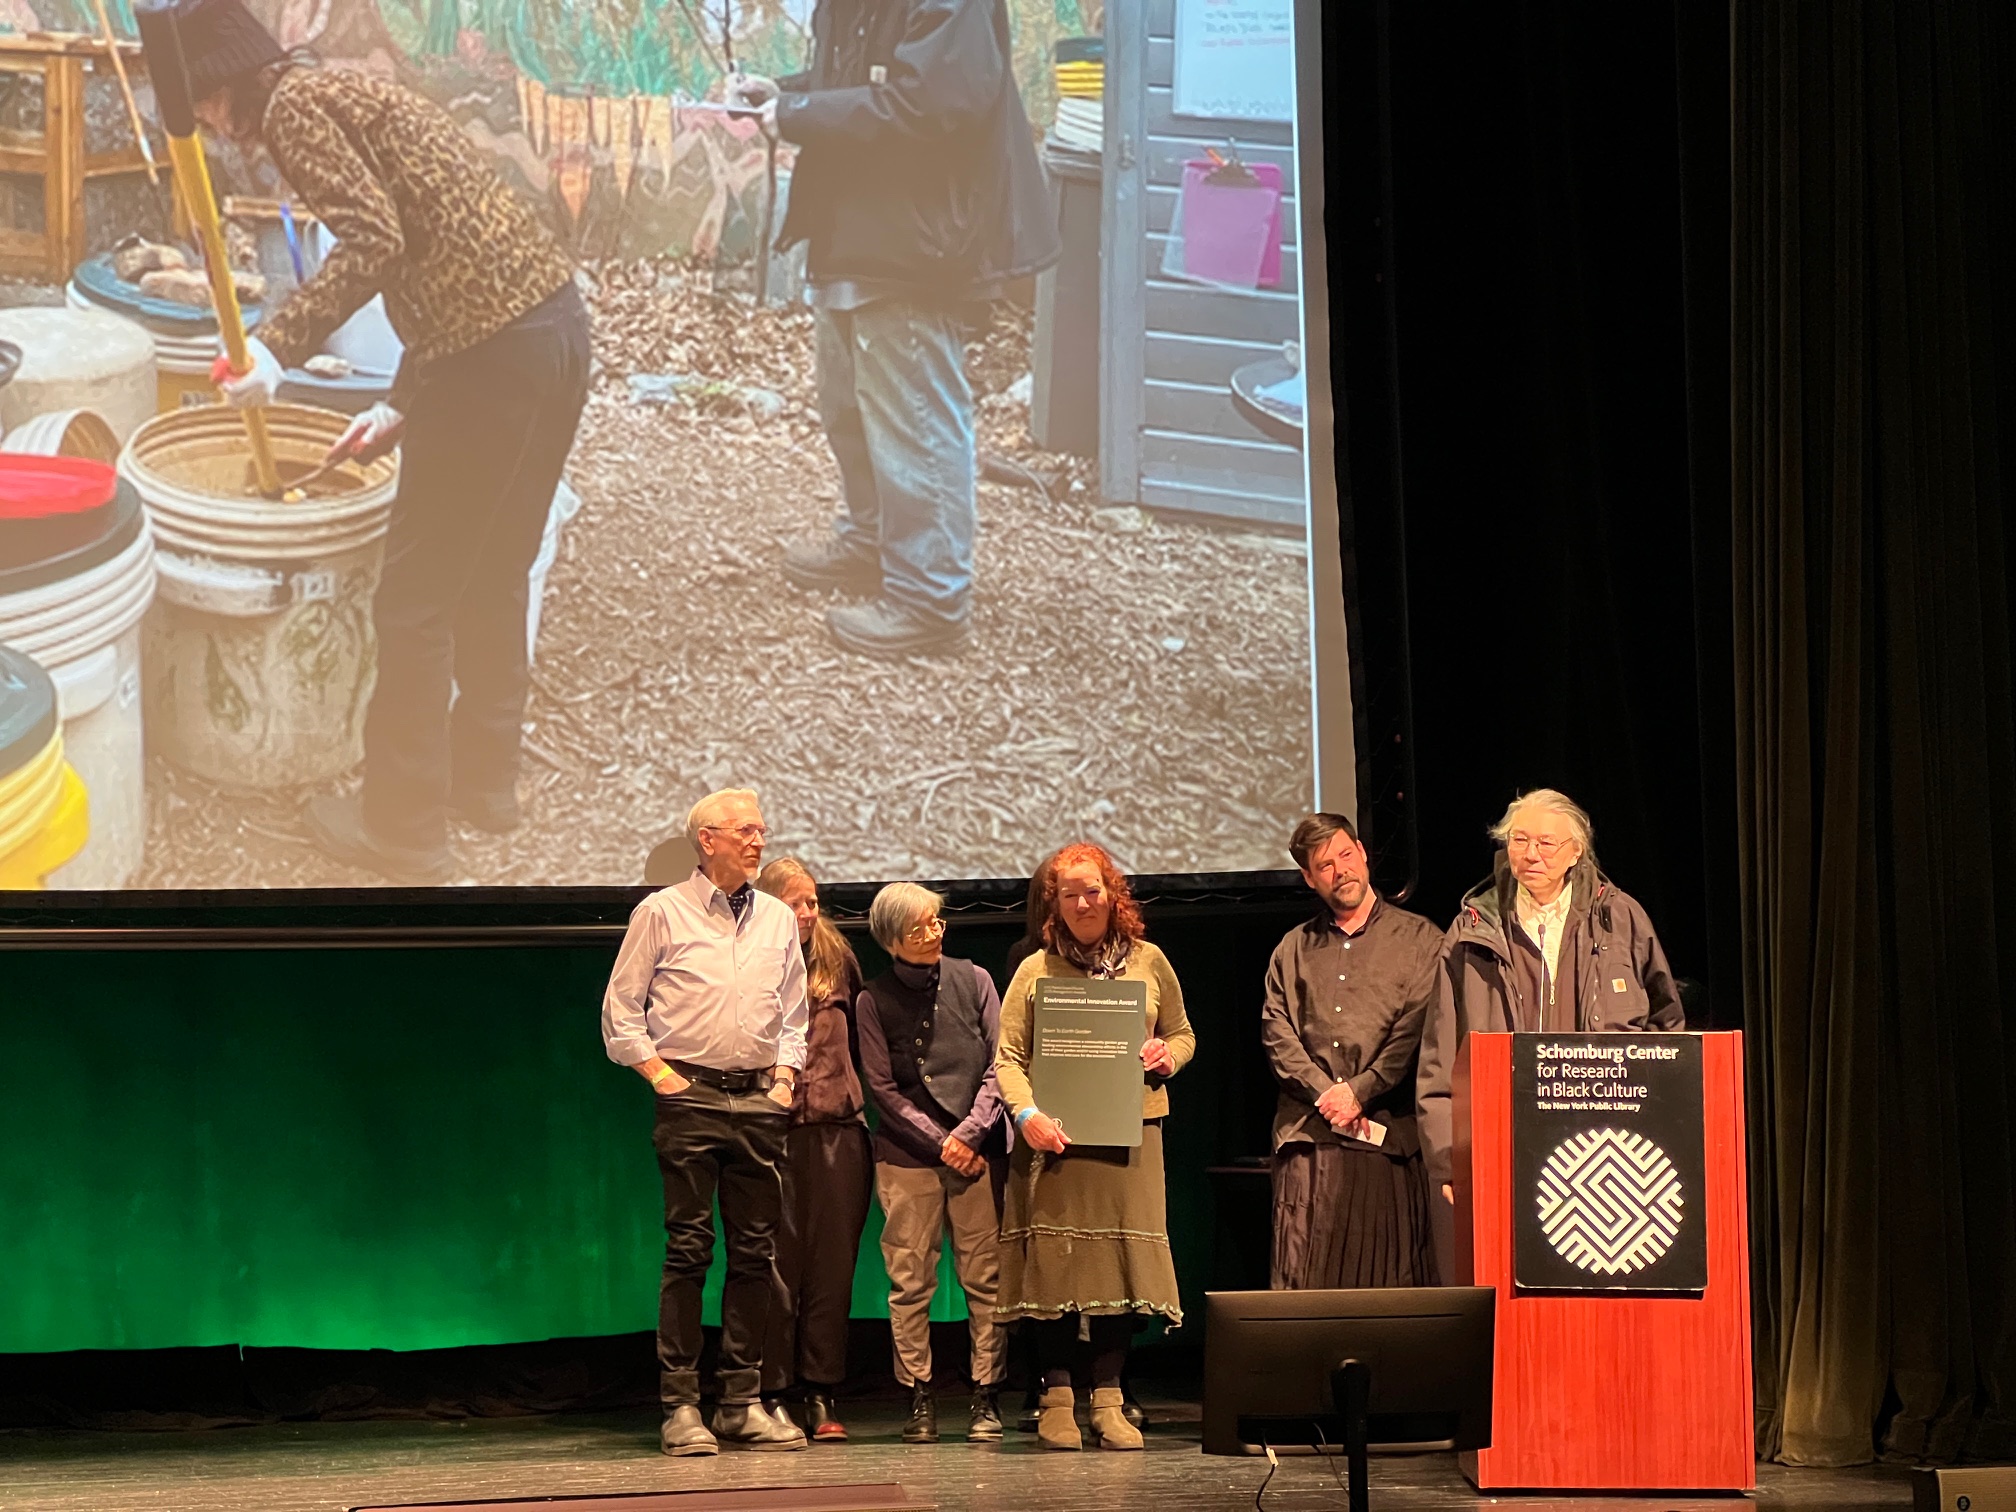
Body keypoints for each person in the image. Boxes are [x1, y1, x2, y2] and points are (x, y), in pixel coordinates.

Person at [172, 0, 590, 883]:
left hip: (488, 360)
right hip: (553, 331)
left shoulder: (292, 110)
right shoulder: (344, 92)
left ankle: (401, 828)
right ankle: (484, 786)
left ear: (224, 88)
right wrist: (404, 400)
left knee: (414, 601)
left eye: (202, 103)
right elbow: (446, 240)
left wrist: (276, 352)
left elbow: (376, 239)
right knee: (494, 571)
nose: (207, 124)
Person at [728, 0, 1061, 658]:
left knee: (913, 413)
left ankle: (930, 597)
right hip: (856, 225)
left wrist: (798, 116)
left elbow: (932, 106)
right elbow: (854, 77)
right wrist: (783, 94)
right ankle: (874, 540)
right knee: (846, 401)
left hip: (918, 235)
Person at [601, 789, 810, 1456]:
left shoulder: (777, 918)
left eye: (761, 830)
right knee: (689, 1252)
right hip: (689, 1099)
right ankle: (682, 1406)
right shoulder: (661, 912)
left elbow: (796, 1013)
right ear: (707, 841)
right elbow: (620, 1012)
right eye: (744, 831)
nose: (758, 840)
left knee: (755, 1254)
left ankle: (741, 1401)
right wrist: (664, 1077)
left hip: (758, 1103)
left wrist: (782, 1083)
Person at [1416, 788, 1687, 1281]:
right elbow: (1439, 1054)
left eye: (1546, 842)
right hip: (1504, 1143)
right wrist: (1447, 1161)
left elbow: (1667, 1028)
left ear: (1575, 853)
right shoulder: (1471, 930)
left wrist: (1662, 1127)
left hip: (1609, 1148)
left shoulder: (1620, 918)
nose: (1531, 854)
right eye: (1519, 840)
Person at [994, 842, 1195, 1452]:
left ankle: (1108, 1400)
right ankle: (1057, 1399)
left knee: (1119, 1264)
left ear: (1113, 895)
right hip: (1055, 1142)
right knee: (1054, 1270)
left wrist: (1168, 1056)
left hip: (1131, 1135)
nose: (1082, 903)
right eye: (1068, 893)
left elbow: (1184, 1035)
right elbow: (1007, 1059)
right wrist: (1025, 1113)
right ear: (1053, 902)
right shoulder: (1036, 967)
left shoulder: (1149, 960)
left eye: (1093, 890)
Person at [855, 882, 1009, 1444]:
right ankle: (919, 1395)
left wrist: (969, 1134)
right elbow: (882, 1089)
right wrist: (941, 1143)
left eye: (937, 921)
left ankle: (985, 1395)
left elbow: (1002, 1064)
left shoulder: (977, 980)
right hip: (907, 1159)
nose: (933, 932)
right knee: (910, 1281)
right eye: (918, 926)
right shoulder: (872, 1000)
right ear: (892, 938)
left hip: (979, 1152)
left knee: (985, 1280)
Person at [1263, 813, 1442, 1289]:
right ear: (1309, 878)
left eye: (1346, 855)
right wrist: (1329, 1094)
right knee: (1305, 1292)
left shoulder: (1423, 940)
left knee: (1389, 1293)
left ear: (1362, 854)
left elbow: (1416, 1030)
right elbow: (1277, 1032)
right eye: (1325, 865)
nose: (1340, 870)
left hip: (1386, 1141)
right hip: (1309, 1141)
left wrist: (1361, 1091)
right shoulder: (1292, 948)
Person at [754, 857, 872, 1443]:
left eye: (813, 902)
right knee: (777, 1268)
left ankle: (820, 1390)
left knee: (832, 1268)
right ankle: (771, 1390)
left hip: (838, 1129)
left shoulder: (835, 959)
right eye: (795, 903)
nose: (807, 913)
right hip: (773, 1130)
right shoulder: (748, 959)